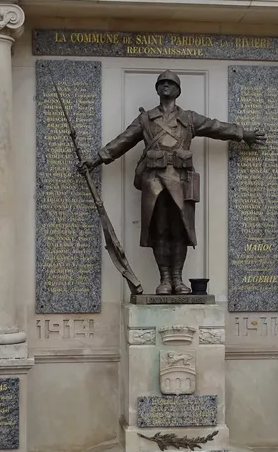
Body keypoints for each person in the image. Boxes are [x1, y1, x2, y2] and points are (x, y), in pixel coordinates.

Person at [80, 70, 266, 294]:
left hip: (181, 181)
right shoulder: (145, 119)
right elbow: (123, 141)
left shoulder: (188, 118)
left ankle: (178, 278)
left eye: (171, 83)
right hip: (154, 181)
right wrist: (95, 160)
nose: (166, 86)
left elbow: (215, 127)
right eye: (162, 83)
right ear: (157, 89)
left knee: (180, 230)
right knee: (159, 229)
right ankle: (165, 279)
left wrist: (242, 133)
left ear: (178, 90)